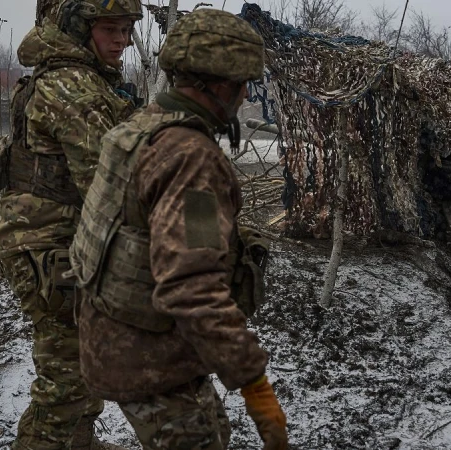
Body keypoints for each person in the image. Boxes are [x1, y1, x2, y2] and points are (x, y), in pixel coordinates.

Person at [68, 8, 288, 450]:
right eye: (244, 84)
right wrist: (254, 384)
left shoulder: (141, 126)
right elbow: (191, 286)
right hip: (151, 359)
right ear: (219, 85)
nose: (246, 96)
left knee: (214, 431)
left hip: (117, 339)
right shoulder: (190, 158)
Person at [0, 1, 142, 449]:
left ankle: (79, 443)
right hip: (45, 247)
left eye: (127, 29)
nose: (123, 40)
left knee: (88, 359)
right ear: (79, 28)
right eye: (111, 29)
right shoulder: (72, 88)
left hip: (64, 239)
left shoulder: (81, 78)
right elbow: (111, 188)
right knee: (65, 380)